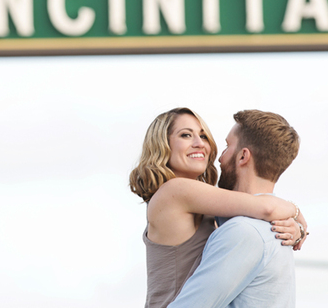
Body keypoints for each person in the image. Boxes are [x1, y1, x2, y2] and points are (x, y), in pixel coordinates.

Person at [129, 108, 307, 308]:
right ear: (163, 145)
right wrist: (296, 213)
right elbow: (263, 207)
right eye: (186, 135)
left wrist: (297, 231)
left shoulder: (207, 202)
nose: (199, 143)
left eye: (203, 135)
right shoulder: (175, 190)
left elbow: (251, 211)